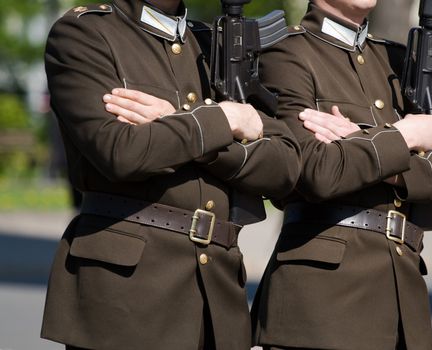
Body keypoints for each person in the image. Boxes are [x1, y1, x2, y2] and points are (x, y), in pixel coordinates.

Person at [40, 0, 301, 349]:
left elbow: (285, 164)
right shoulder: (87, 33)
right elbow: (120, 151)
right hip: (129, 297)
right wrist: (224, 120)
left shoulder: (214, 43)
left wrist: (180, 119)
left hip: (217, 297)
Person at [250, 1, 432, 349]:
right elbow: (315, 170)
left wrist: (358, 141)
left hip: (402, 301)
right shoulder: (286, 54)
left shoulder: (398, 61)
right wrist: (406, 138)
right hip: (322, 308)